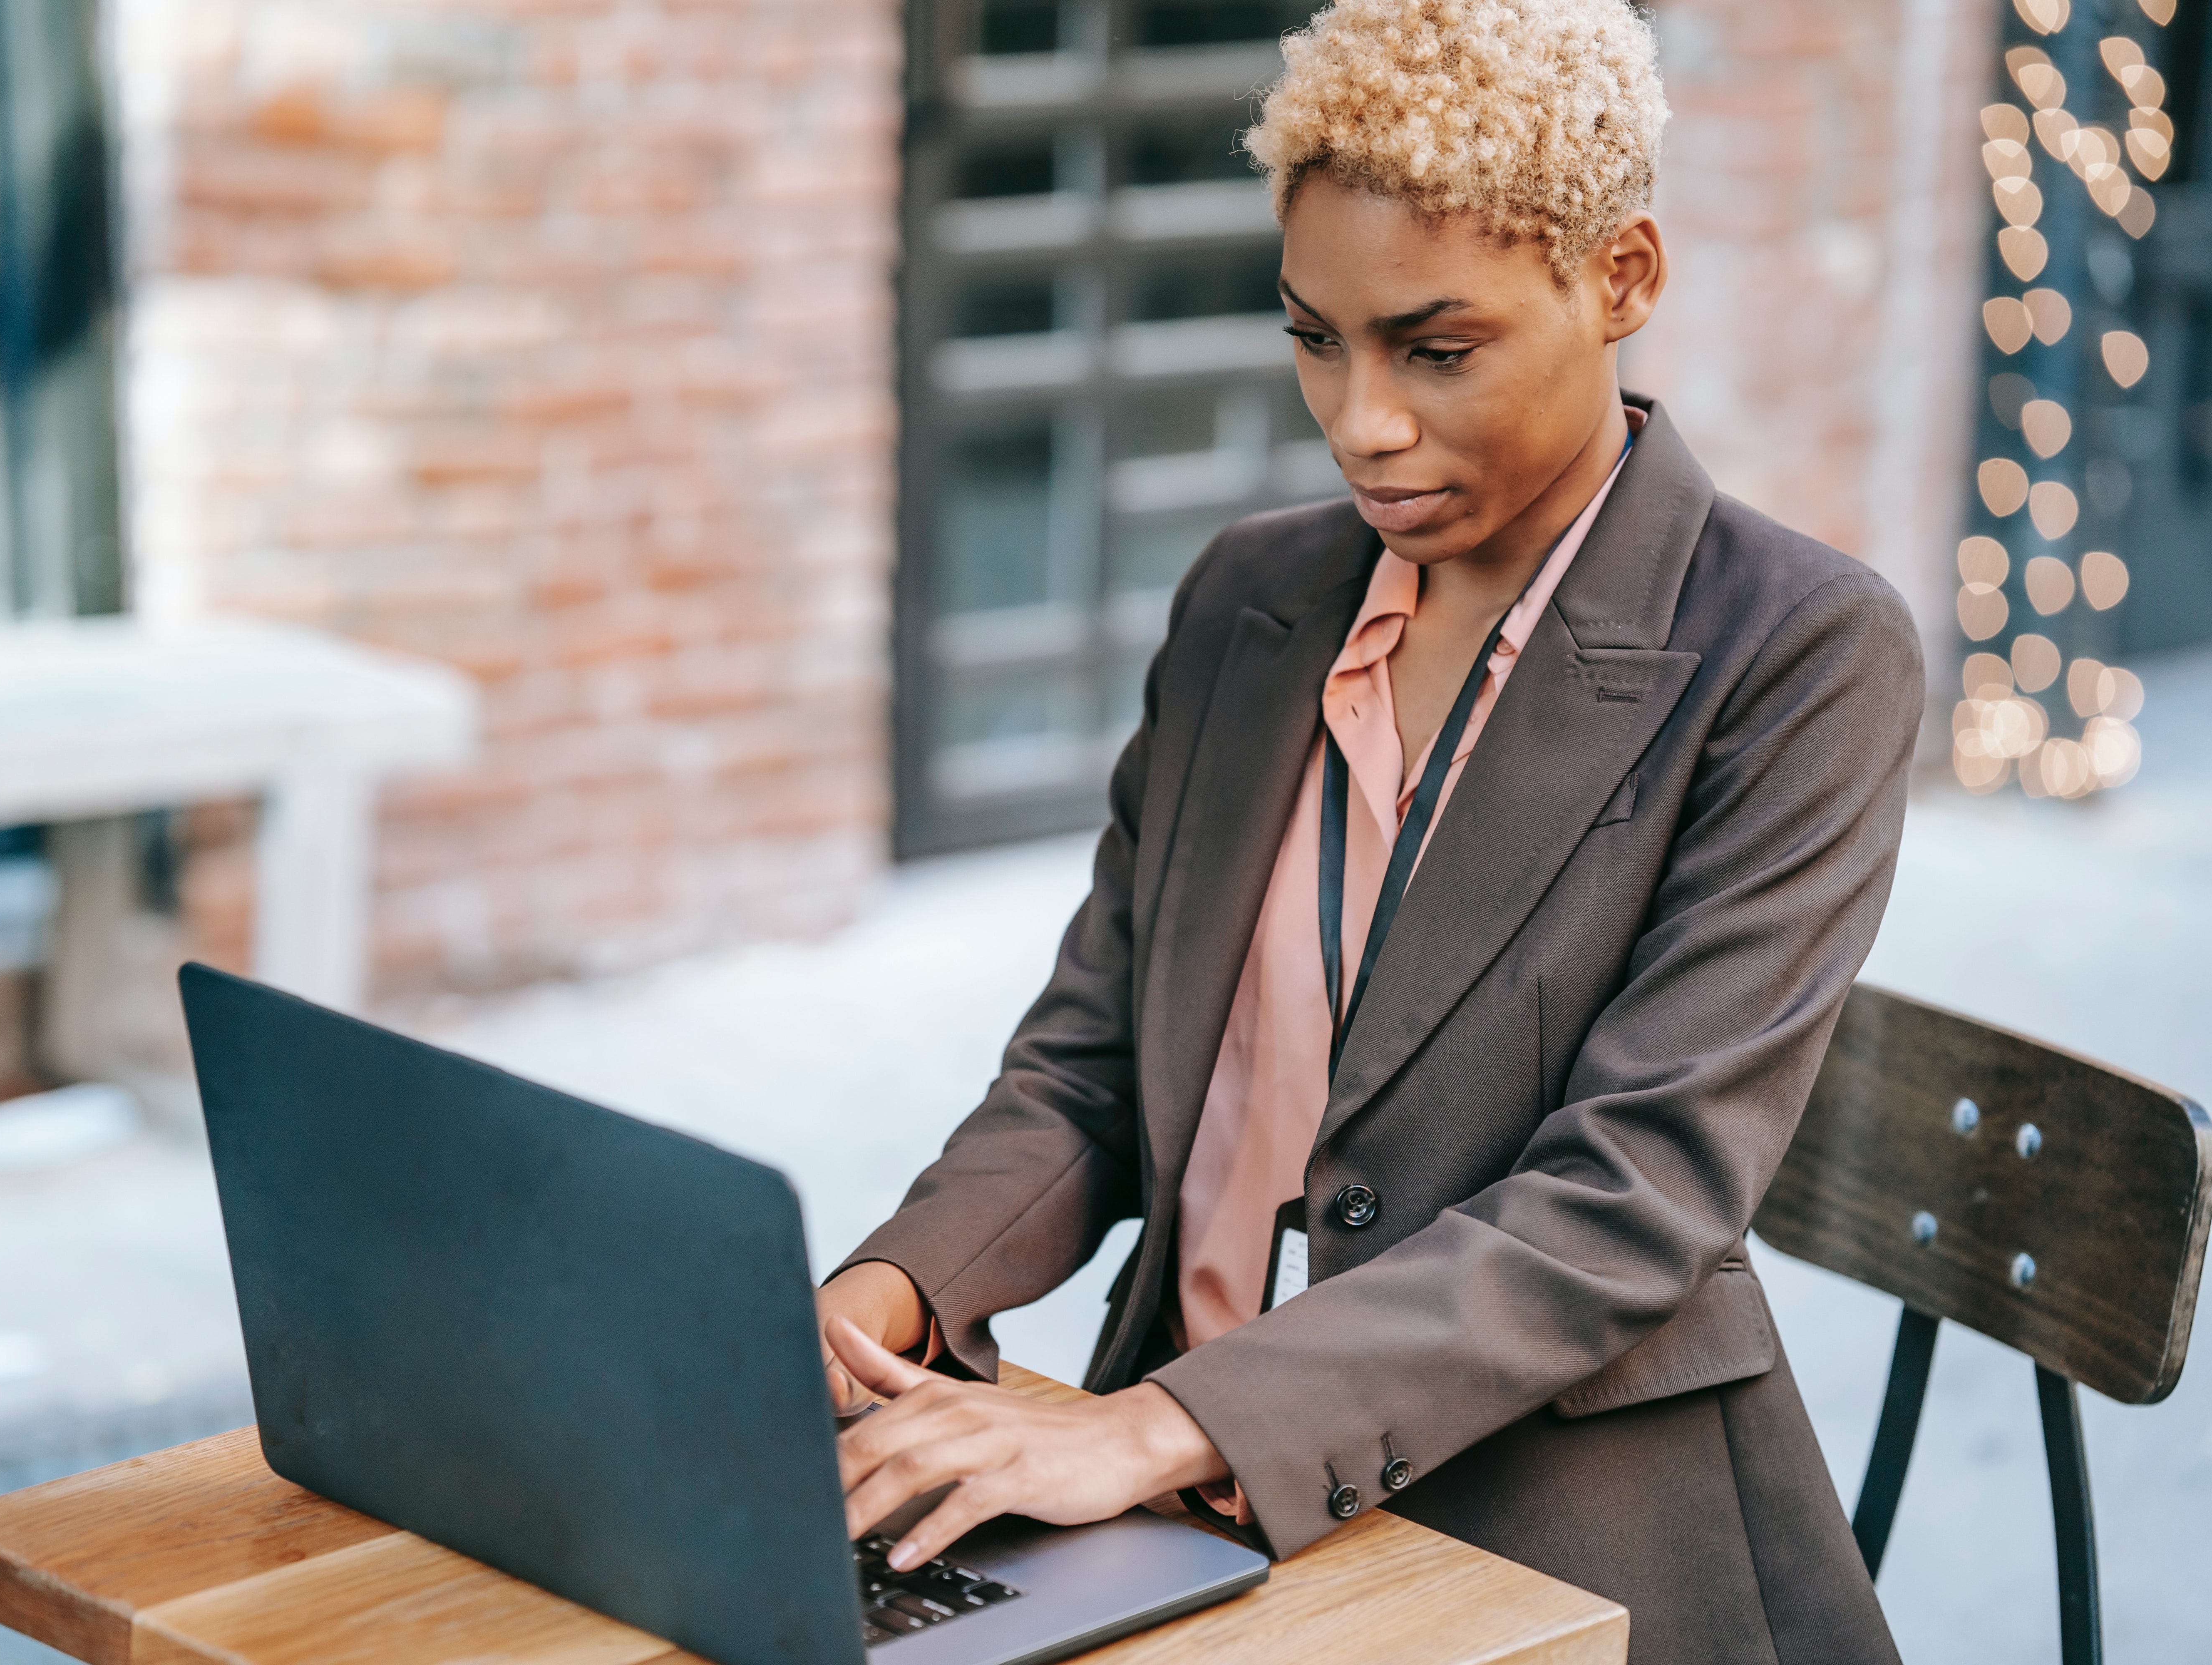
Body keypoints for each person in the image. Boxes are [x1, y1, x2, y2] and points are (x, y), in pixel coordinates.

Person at [819, 1, 1919, 1658]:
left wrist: (1154, 1426)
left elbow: (1631, 1198)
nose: (1361, 420)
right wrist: (887, 1291)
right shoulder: (1248, 605)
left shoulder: (1801, 651)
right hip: (1172, 1509)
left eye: (1436, 346)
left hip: (1549, 1543)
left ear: (1622, 279)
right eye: (1313, 337)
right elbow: (1092, 1067)